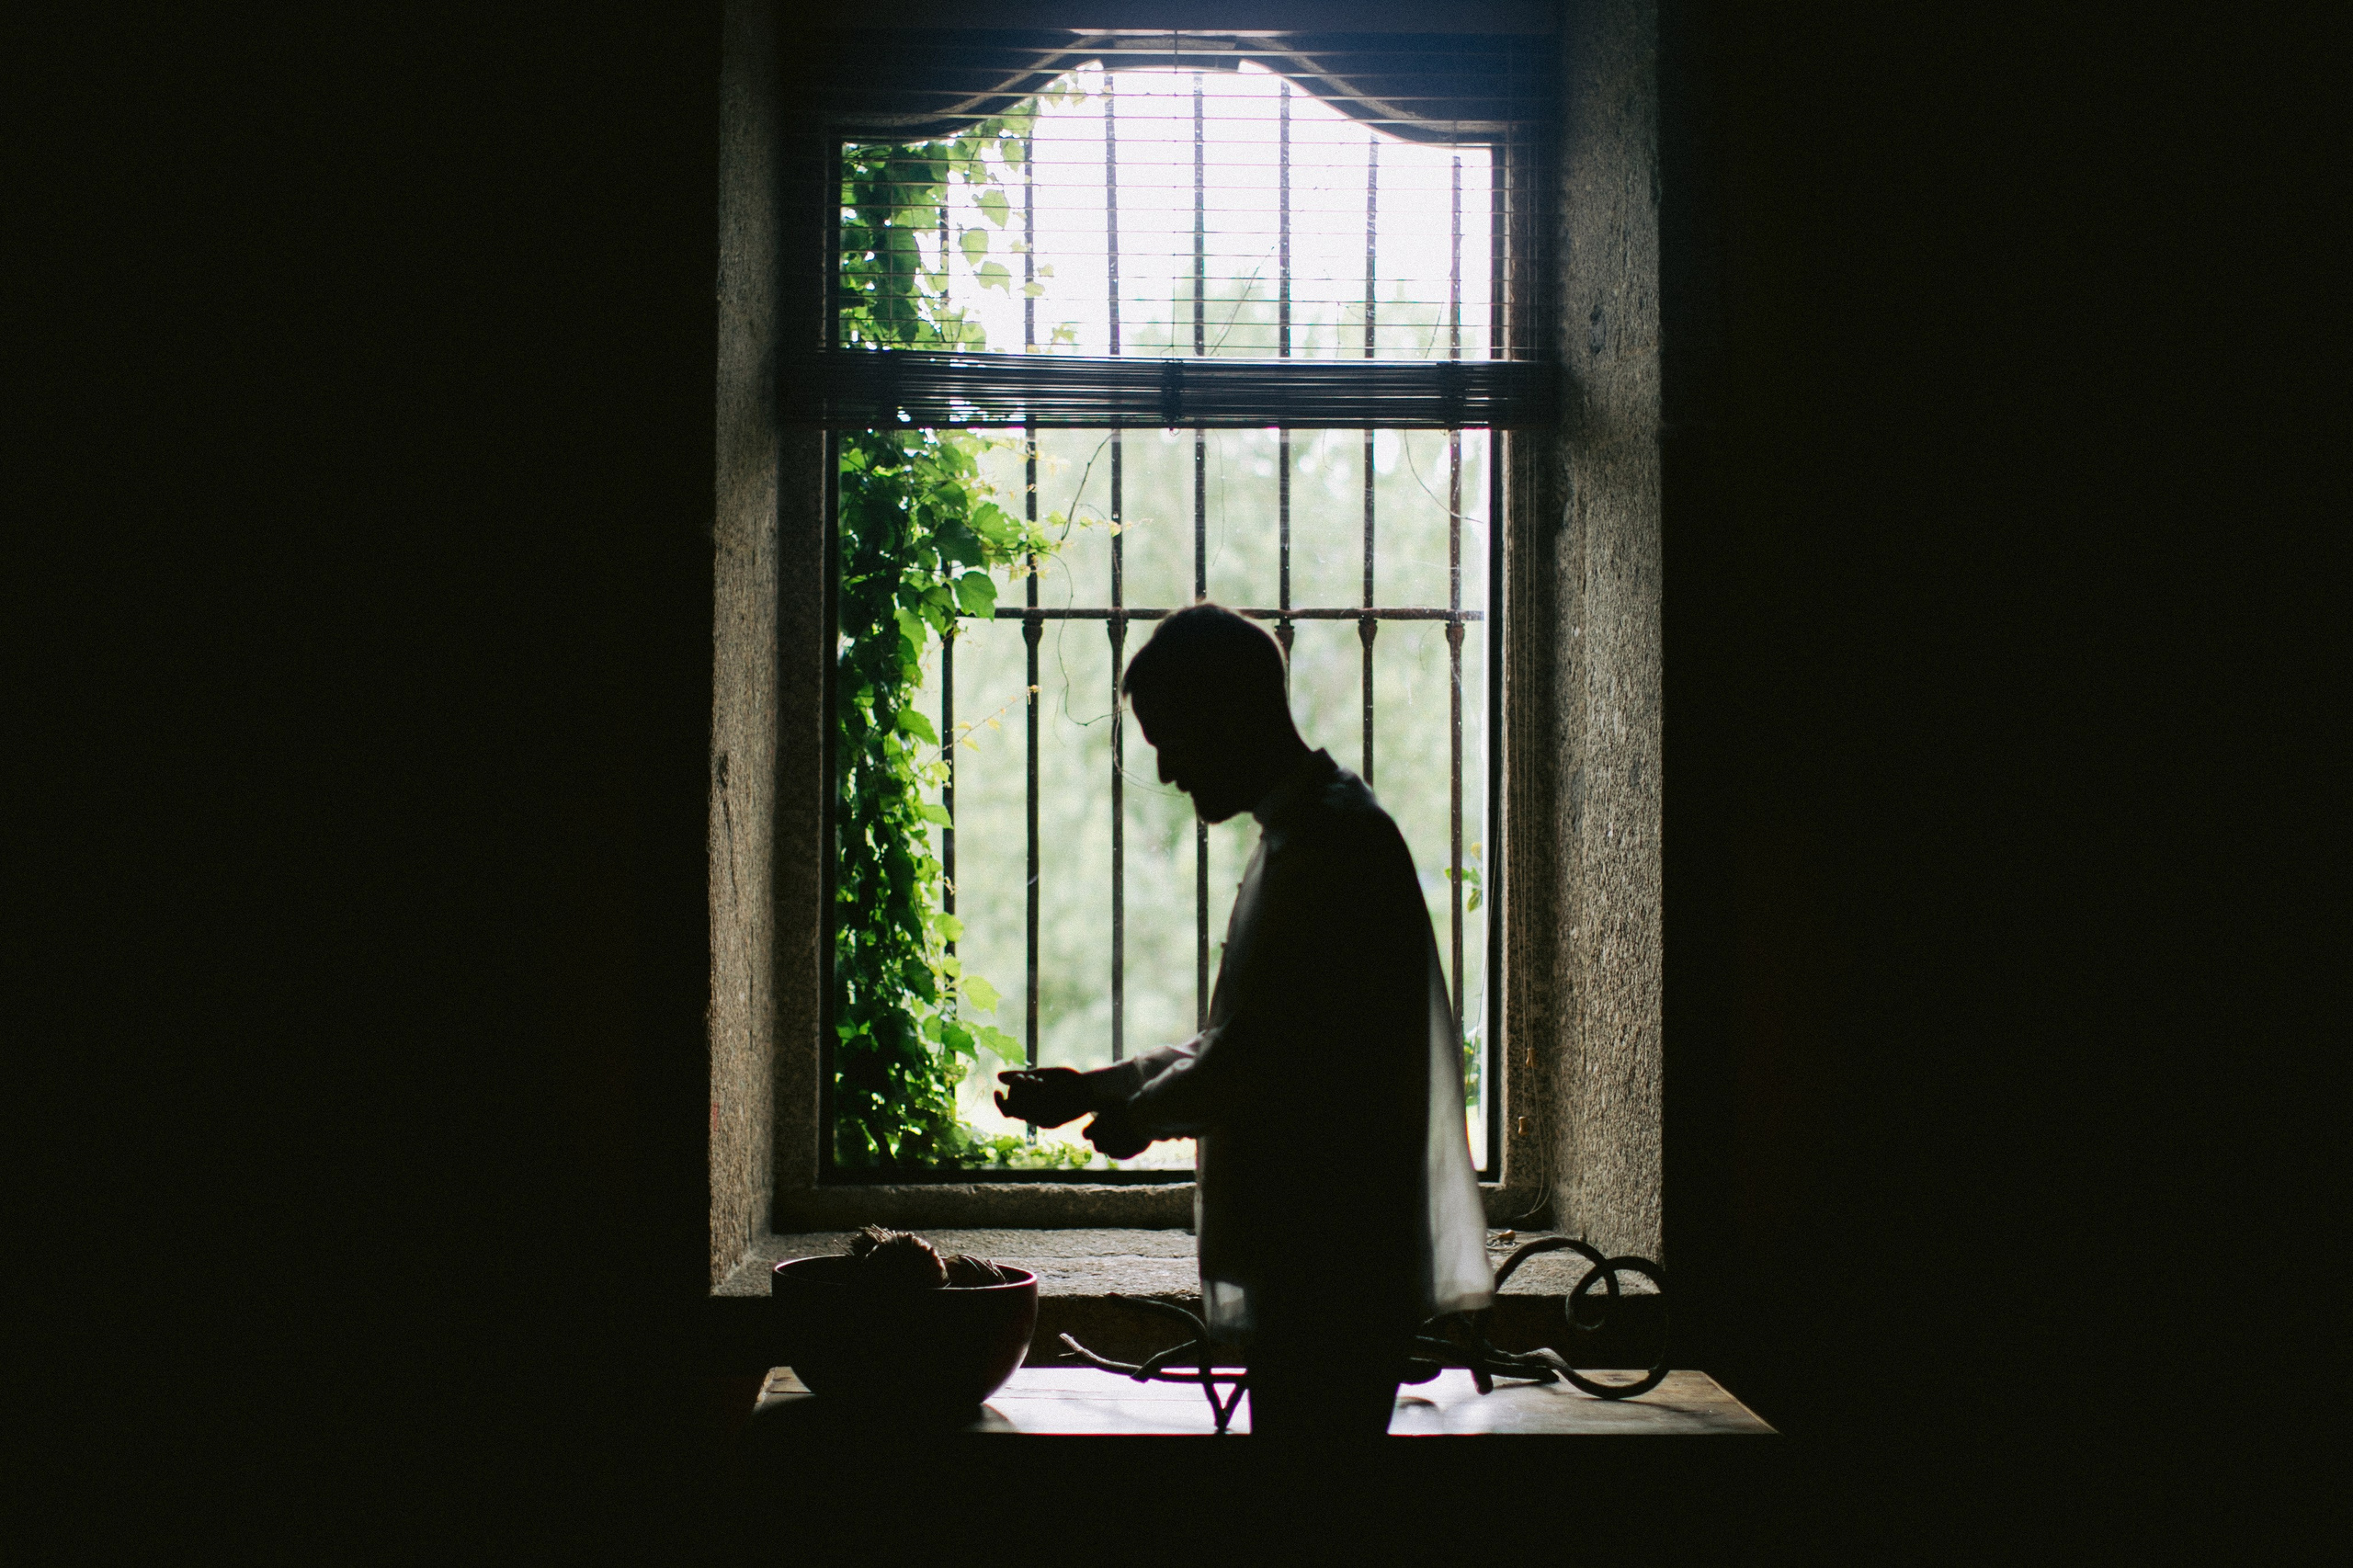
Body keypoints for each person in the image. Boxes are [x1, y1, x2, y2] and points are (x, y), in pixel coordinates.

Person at [995, 603, 1493, 1437]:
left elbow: (1258, 1062)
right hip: (1322, 1265)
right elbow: (1246, 1041)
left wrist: (1136, 1116)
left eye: (1170, 741)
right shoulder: (1314, 833)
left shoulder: (1329, 850)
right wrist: (1097, 1088)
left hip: (1332, 1269)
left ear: (1227, 716)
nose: (1166, 774)